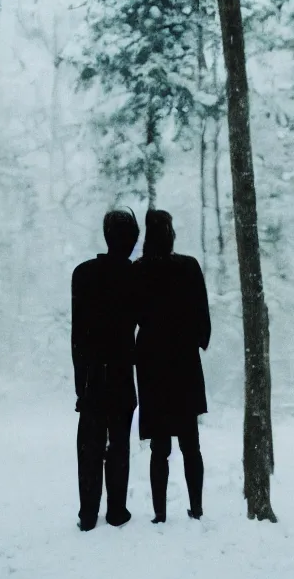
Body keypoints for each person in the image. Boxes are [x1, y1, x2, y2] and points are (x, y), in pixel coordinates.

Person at [133, 209, 212, 523]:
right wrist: (194, 338)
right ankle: (196, 508)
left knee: (159, 446)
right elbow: (202, 317)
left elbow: (132, 314)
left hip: (152, 360)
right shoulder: (188, 267)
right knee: (190, 441)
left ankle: (160, 513)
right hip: (183, 360)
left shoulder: (138, 271)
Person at [71, 209, 140, 532]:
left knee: (90, 445)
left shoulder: (83, 274)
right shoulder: (136, 277)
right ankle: (116, 510)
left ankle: (88, 513)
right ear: (133, 240)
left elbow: (77, 335)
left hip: (93, 375)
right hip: (123, 373)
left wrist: (80, 383)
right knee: (119, 444)